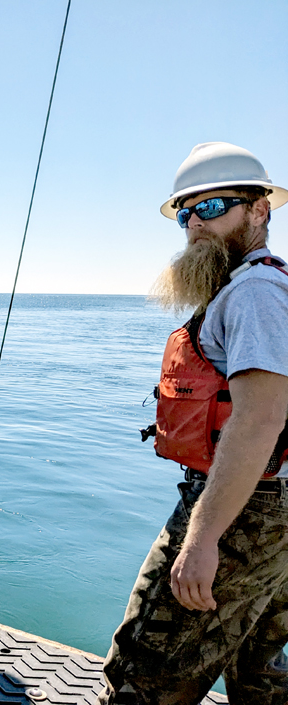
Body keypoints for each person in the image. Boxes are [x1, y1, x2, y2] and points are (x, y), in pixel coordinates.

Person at [100, 142, 288, 704]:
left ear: (260, 211)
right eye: (186, 213)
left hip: (245, 507)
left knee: (144, 671)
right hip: (274, 510)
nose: (194, 226)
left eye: (212, 208)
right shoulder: (267, 287)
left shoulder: (254, 292)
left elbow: (259, 419)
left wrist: (203, 541)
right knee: (258, 668)